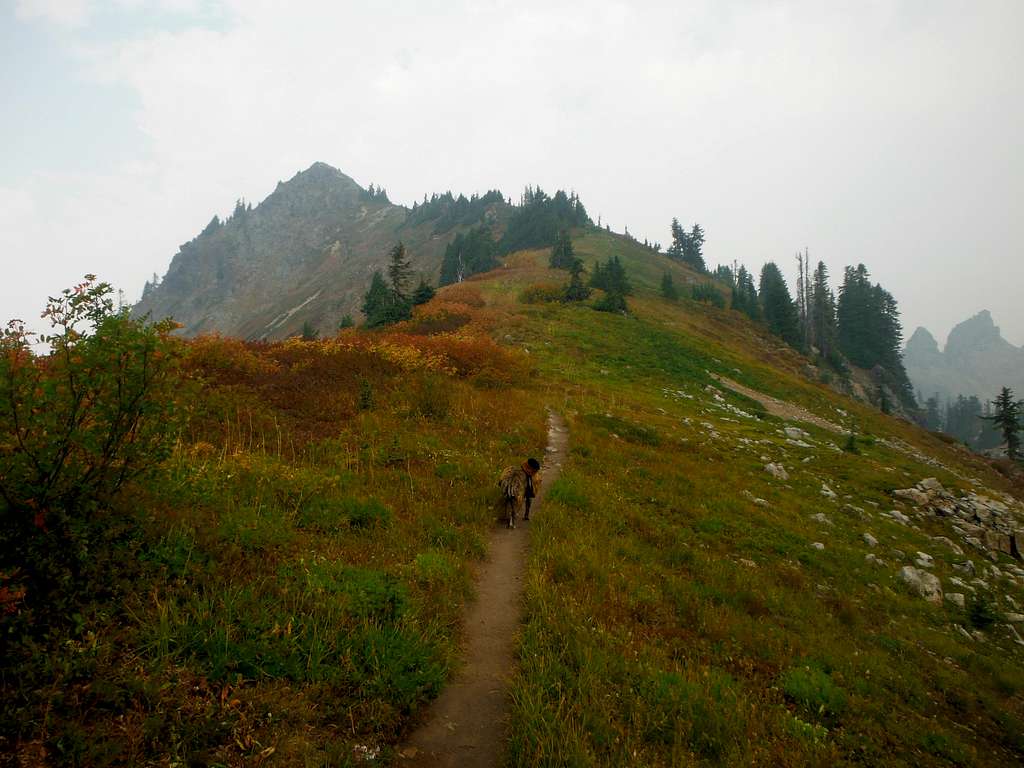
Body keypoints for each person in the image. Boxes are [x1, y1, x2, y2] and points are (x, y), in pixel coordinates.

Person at [498, 457, 542, 528]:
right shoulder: (530, 476)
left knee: (526, 494)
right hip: (515, 488)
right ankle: (525, 515)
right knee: (527, 494)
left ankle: (518, 516)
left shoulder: (529, 475)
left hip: (513, 487)